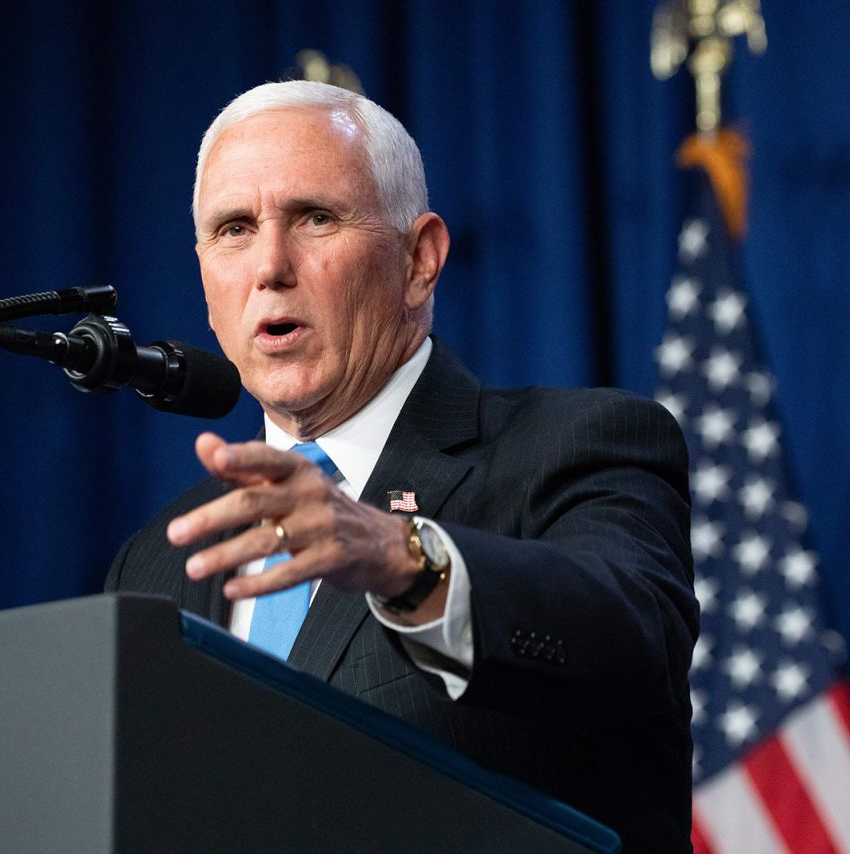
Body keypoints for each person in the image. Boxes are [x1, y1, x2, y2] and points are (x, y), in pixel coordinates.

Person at [106, 80, 697, 851]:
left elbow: (632, 635)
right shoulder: (155, 561)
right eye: (234, 229)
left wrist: (402, 555)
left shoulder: (576, 445)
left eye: (315, 218)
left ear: (420, 259)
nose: (270, 266)